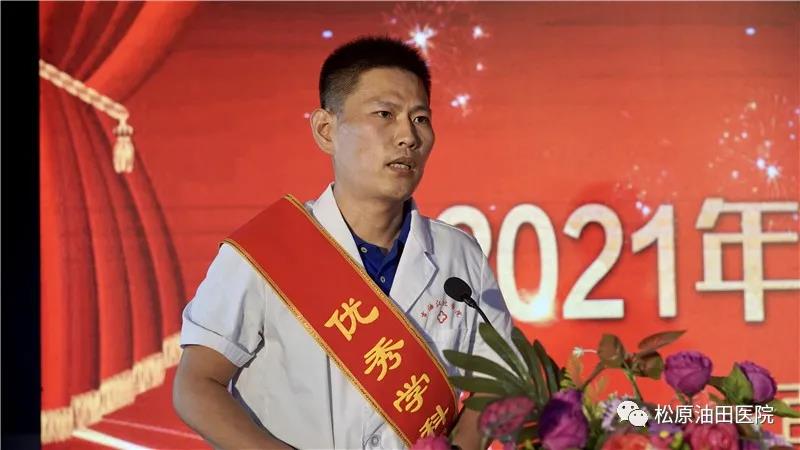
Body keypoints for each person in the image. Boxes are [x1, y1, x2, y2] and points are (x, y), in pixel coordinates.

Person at [173, 36, 514, 450]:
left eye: (420, 118)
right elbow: (196, 385)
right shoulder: (266, 251)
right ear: (326, 130)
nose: (408, 136)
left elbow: (500, 378)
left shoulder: (459, 256)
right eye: (385, 114)